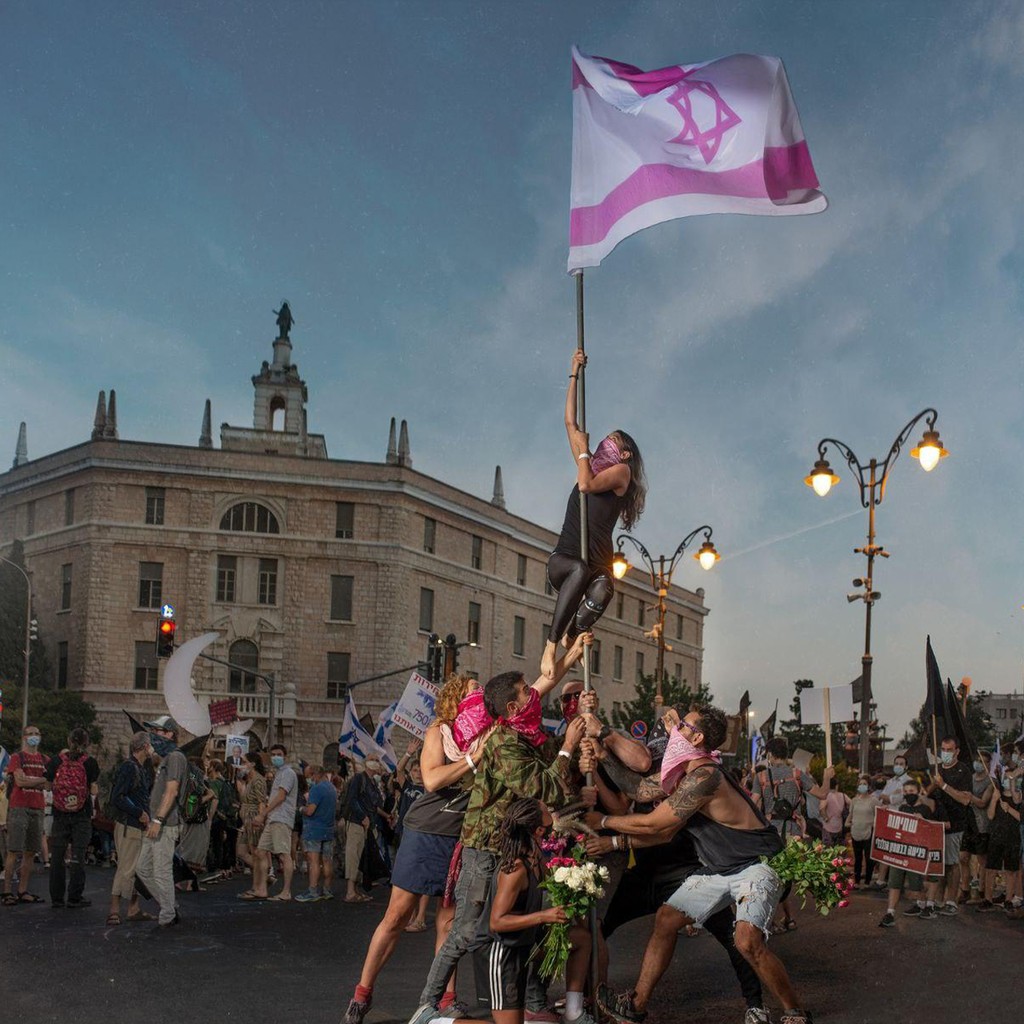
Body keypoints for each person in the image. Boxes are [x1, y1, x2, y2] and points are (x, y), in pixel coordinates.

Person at [588, 705, 815, 1024]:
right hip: (723, 868)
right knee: (667, 919)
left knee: (746, 940)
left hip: (758, 865)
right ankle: (636, 1005)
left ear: (697, 736)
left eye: (682, 725)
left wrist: (606, 821)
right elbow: (637, 789)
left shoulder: (705, 777)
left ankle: (794, 1010)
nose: (673, 727)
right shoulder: (687, 774)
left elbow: (655, 825)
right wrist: (602, 755)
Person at [406, 669, 589, 1024]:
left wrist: (573, 735)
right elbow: (543, 787)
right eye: (525, 692)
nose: (532, 695)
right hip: (485, 850)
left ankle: (534, 999)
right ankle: (426, 1006)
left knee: (531, 925)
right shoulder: (505, 742)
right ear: (511, 706)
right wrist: (567, 748)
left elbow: (549, 763)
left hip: (514, 848)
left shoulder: (523, 737)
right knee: (464, 930)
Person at [541, 349, 646, 682]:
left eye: (614, 442)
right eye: (605, 440)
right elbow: (570, 423)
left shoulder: (622, 474)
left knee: (602, 587)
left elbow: (586, 485)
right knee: (578, 568)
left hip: (597, 565)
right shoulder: (587, 462)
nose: (605, 444)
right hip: (565, 561)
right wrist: (573, 373)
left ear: (625, 454)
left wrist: (584, 450)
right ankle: (551, 644)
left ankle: (572, 636)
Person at [445, 799, 567, 1024]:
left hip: (516, 948)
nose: (551, 811)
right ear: (539, 829)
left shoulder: (536, 857)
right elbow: (497, 922)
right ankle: (435, 1022)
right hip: (498, 952)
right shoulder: (516, 870)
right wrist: (544, 916)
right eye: (546, 811)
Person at [136, 715, 188, 927]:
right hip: (157, 823)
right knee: (143, 868)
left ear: (169, 734)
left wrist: (158, 820)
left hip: (165, 824)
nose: (154, 735)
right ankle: (169, 905)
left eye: (158, 731)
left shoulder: (175, 757)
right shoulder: (166, 759)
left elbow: (172, 791)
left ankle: (168, 915)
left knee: (160, 870)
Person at [878, 776, 947, 926]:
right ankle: (890, 913)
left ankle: (926, 904)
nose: (909, 794)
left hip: (918, 854)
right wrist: (885, 813)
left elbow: (933, 830)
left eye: (912, 791)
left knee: (918, 884)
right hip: (902, 852)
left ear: (918, 792)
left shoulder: (925, 809)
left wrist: (923, 820)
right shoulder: (903, 808)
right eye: (906, 791)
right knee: (895, 882)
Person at [46, 726, 101, 909]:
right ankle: (74, 898)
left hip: (60, 814)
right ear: (86, 743)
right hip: (81, 815)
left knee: (57, 857)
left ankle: (56, 898)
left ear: (68, 741)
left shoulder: (56, 761)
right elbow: (93, 788)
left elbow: (48, 785)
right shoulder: (90, 763)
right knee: (78, 856)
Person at [107, 730, 154, 925]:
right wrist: (139, 813)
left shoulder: (139, 768)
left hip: (136, 826)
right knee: (126, 868)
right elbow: (117, 797)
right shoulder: (130, 767)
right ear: (144, 747)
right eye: (150, 745)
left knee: (137, 869)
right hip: (130, 826)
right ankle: (114, 911)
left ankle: (133, 908)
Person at [925, 736, 974, 915]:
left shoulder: (963, 770)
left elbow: (965, 799)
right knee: (939, 863)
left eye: (949, 750)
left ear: (957, 751)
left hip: (956, 823)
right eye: (943, 750)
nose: (945, 753)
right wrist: (934, 784)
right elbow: (926, 794)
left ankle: (951, 901)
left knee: (952, 863)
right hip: (937, 824)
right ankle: (938, 899)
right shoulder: (937, 770)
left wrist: (944, 785)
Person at [3, 724, 49, 905]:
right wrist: (40, 780)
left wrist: (32, 781)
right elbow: (20, 782)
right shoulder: (17, 757)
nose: (34, 736)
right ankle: (6, 892)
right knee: (13, 850)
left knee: (31, 851)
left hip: (37, 808)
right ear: (24, 737)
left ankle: (22, 890)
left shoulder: (45, 759)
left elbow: (49, 785)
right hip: (19, 807)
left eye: (37, 733)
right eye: (30, 734)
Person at [245, 743, 298, 901]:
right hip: (274, 818)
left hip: (281, 819)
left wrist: (262, 815)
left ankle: (286, 892)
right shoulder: (279, 773)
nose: (276, 757)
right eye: (273, 754)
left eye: (279, 754)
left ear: (285, 756)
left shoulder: (288, 773)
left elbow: (281, 797)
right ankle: (261, 889)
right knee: (260, 851)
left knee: (284, 855)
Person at [978, 771, 1021, 912]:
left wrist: (1009, 809)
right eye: (1006, 778)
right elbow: (990, 815)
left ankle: (1008, 899)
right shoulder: (998, 796)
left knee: (1011, 870)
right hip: (996, 836)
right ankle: (988, 899)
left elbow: (1021, 818)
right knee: (991, 869)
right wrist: (995, 800)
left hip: (1013, 837)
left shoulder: (1019, 798)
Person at [296, 765, 337, 902]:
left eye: (309, 776)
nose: (309, 779)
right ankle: (327, 889)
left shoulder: (317, 789)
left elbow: (310, 811)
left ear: (315, 774)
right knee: (327, 861)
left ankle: (313, 890)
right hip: (328, 828)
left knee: (313, 861)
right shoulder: (332, 788)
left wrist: (301, 808)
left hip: (314, 829)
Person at [962, 751, 995, 905]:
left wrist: (969, 797)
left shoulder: (991, 782)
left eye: (982, 761)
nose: (978, 764)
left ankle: (982, 892)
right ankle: (965, 890)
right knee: (963, 857)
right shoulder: (969, 779)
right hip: (968, 823)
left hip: (982, 825)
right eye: (976, 760)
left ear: (988, 764)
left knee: (982, 860)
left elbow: (983, 802)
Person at [236, 752, 268, 877]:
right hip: (246, 818)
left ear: (252, 764)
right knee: (241, 851)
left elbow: (261, 801)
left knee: (255, 851)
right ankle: (262, 875)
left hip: (253, 817)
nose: (242, 765)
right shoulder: (249, 780)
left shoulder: (258, 780)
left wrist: (260, 818)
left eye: (244, 762)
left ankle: (262, 878)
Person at [848, 775, 878, 888]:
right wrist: (848, 824)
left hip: (868, 832)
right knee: (858, 857)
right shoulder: (854, 800)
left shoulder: (873, 800)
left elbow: (880, 812)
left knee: (869, 858)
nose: (862, 786)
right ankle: (856, 881)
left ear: (869, 786)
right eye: (860, 784)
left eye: (864, 784)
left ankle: (867, 881)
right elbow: (851, 815)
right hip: (856, 831)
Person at [820, 776, 850, 848]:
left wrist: (825, 818)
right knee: (838, 850)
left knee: (828, 851)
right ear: (836, 786)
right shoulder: (843, 795)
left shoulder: (825, 796)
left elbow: (822, 808)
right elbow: (851, 804)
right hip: (839, 826)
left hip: (828, 827)